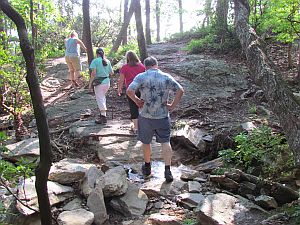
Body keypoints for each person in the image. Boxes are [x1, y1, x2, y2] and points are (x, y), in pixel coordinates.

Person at [126, 56, 184, 182]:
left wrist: (137, 101)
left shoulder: (141, 77)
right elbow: (180, 90)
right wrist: (172, 106)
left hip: (145, 116)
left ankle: (147, 167)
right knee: (165, 142)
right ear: (156, 65)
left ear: (146, 66)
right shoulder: (166, 77)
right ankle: (167, 170)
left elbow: (129, 90)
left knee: (146, 142)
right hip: (162, 116)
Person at [118, 51, 146, 133]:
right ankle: (144, 125)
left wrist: (119, 88)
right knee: (142, 105)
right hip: (141, 89)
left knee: (133, 107)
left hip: (131, 90)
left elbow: (121, 80)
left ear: (128, 58)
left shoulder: (125, 67)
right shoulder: (142, 66)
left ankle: (136, 127)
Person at [89, 48, 114, 124]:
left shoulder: (95, 61)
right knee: (102, 97)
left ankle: (103, 117)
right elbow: (112, 73)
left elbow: (93, 73)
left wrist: (90, 84)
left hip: (99, 83)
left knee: (100, 98)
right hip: (107, 82)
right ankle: (103, 115)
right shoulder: (107, 61)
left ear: (96, 54)